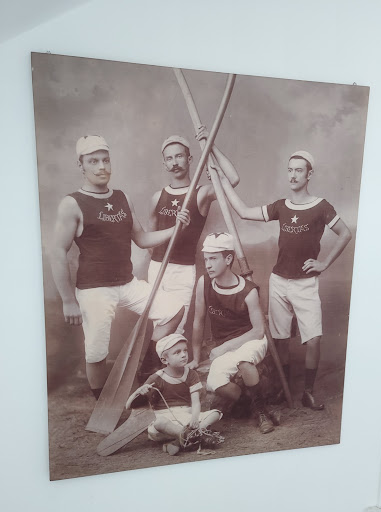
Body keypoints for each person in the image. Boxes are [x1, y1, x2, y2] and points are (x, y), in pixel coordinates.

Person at [50, 135, 190, 399]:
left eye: (105, 160)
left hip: (127, 283)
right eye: (93, 161)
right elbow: (57, 251)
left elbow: (142, 238)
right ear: (81, 165)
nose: (101, 167)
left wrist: (175, 229)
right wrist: (68, 300)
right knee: (96, 351)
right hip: (94, 289)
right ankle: (102, 403)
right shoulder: (72, 203)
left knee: (173, 309)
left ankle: (146, 368)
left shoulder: (122, 197)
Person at [215, 150, 352, 409]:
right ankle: (283, 389)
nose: (293, 175)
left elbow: (344, 233)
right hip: (279, 281)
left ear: (309, 174)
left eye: (299, 170)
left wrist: (323, 264)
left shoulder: (321, 206)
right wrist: (222, 181)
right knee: (279, 340)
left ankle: (308, 392)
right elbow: (243, 212)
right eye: (290, 170)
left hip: (305, 284)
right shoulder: (281, 206)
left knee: (314, 339)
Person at [148, 129, 240, 337]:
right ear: (164, 164)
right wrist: (156, 258)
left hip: (183, 270)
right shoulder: (157, 197)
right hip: (157, 268)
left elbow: (233, 179)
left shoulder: (202, 193)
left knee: (176, 327)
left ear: (189, 159)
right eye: (169, 158)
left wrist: (210, 144)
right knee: (158, 325)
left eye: (179, 156)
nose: (175, 163)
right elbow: (149, 237)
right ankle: (157, 359)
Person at [190, 232, 274, 434]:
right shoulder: (204, 283)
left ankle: (261, 411)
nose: (208, 265)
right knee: (215, 383)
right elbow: (198, 321)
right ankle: (249, 402)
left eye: (213, 259)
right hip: (224, 345)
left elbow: (259, 330)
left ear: (228, 259)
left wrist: (225, 347)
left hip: (250, 339)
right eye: (206, 259)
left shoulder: (249, 291)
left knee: (244, 362)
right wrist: (195, 358)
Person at [126, 333, 222, 455]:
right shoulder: (157, 378)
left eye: (185, 350)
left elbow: (195, 402)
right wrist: (140, 391)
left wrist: (194, 417)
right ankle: (192, 435)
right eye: (177, 352)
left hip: (186, 415)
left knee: (215, 414)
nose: (183, 355)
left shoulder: (191, 374)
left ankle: (180, 441)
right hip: (166, 419)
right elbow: (128, 406)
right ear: (164, 360)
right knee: (159, 423)